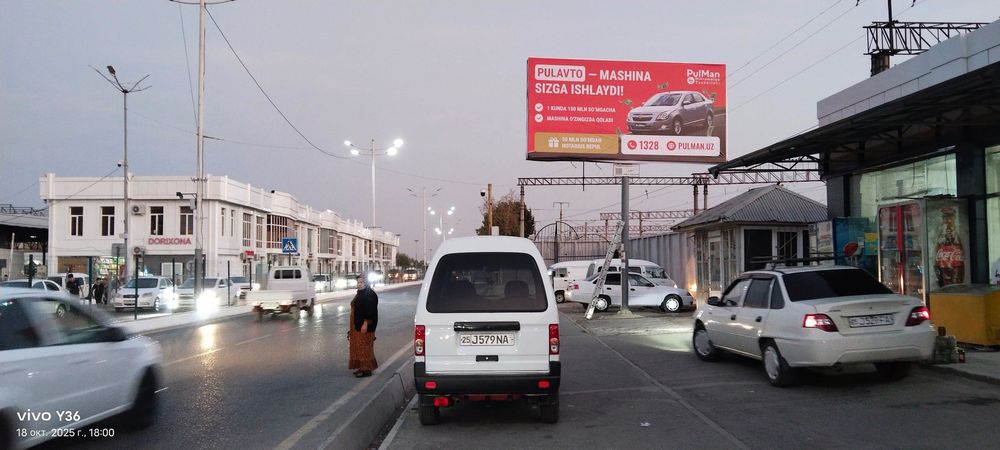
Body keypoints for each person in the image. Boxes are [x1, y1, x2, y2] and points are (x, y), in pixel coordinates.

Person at [348, 274, 379, 378]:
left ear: (367, 283)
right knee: (358, 347)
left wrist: (365, 323)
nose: (359, 284)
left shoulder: (370, 295)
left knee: (364, 347)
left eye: (362, 282)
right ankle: (361, 367)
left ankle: (367, 370)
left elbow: (370, 311)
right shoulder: (360, 294)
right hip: (357, 325)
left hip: (365, 325)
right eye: (358, 282)